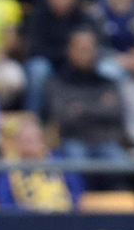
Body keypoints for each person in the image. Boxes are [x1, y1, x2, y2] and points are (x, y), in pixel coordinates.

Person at [44, 28, 125, 160]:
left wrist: (81, 109)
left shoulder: (106, 83)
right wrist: (99, 107)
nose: (86, 54)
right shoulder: (57, 82)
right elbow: (62, 117)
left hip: (104, 141)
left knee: (119, 162)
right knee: (76, 159)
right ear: (69, 50)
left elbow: (116, 113)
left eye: (89, 49)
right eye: (81, 49)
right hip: (72, 140)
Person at [0, 118, 81, 210]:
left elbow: (75, 192)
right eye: (24, 140)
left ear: (42, 141)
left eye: (32, 140)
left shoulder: (60, 162)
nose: (29, 144)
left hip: (61, 214)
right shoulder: (7, 168)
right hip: (25, 216)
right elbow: (5, 201)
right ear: (17, 142)